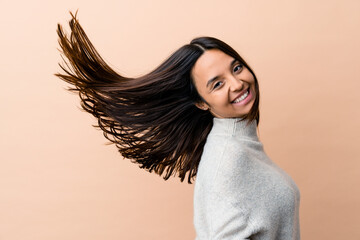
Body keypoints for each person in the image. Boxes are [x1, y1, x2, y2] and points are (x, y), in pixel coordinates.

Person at [56, 12, 300, 240]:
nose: (237, 84)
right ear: (201, 102)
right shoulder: (229, 158)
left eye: (236, 68)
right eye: (217, 84)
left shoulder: (239, 146)